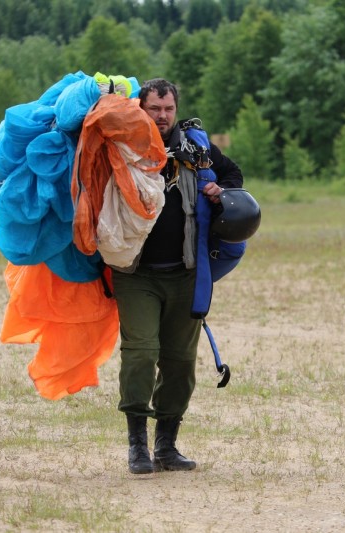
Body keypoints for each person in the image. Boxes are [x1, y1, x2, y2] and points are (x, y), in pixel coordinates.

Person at [111, 78, 244, 474]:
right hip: (136, 275)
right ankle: (137, 446)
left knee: (181, 362)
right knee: (141, 353)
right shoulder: (124, 145)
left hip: (186, 274)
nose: (163, 116)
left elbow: (234, 175)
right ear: (142, 108)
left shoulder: (197, 150)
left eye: (168, 109)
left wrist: (221, 190)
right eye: (155, 109)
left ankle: (166, 446)